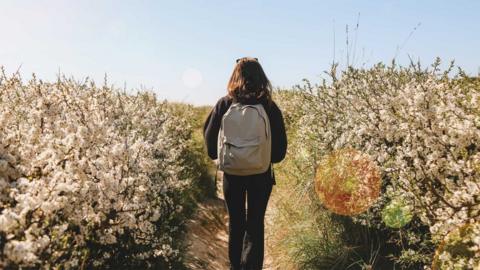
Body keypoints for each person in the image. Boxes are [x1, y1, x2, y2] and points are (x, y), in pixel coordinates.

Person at [203, 57, 287, 270]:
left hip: (232, 174)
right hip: (261, 174)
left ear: (235, 76)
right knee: (255, 223)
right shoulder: (268, 106)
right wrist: (265, 158)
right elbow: (280, 151)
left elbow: (210, 142)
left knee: (236, 222)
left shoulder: (225, 103)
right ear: (261, 77)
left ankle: (235, 266)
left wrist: (222, 157)